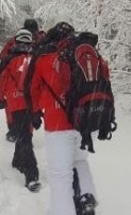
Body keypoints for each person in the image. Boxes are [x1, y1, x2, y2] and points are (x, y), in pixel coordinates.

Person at [25, 21, 100, 215]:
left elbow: (32, 89)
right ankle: (86, 196)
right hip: (87, 121)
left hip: (58, 124)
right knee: (80, 162)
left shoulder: (44, 59)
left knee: (60, 176)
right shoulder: (86, 55)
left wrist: (35, 113)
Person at [0, 29, 41, 192]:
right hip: (30, 104)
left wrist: (1, 98)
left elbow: (1, 80)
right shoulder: (34, 60)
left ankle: (24, 168)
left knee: (23, 137)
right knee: (25, 136)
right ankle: (26, 170)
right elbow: (40, 83)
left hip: (15, 103)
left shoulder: (9, 59)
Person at [0, 19, 46, 140]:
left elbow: (2, 56)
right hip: (33, 75)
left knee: (12, 102)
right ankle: (27, 131)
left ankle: (13, 130)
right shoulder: (41, 39)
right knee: (31, 103)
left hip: (14, 76)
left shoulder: (16, 39)